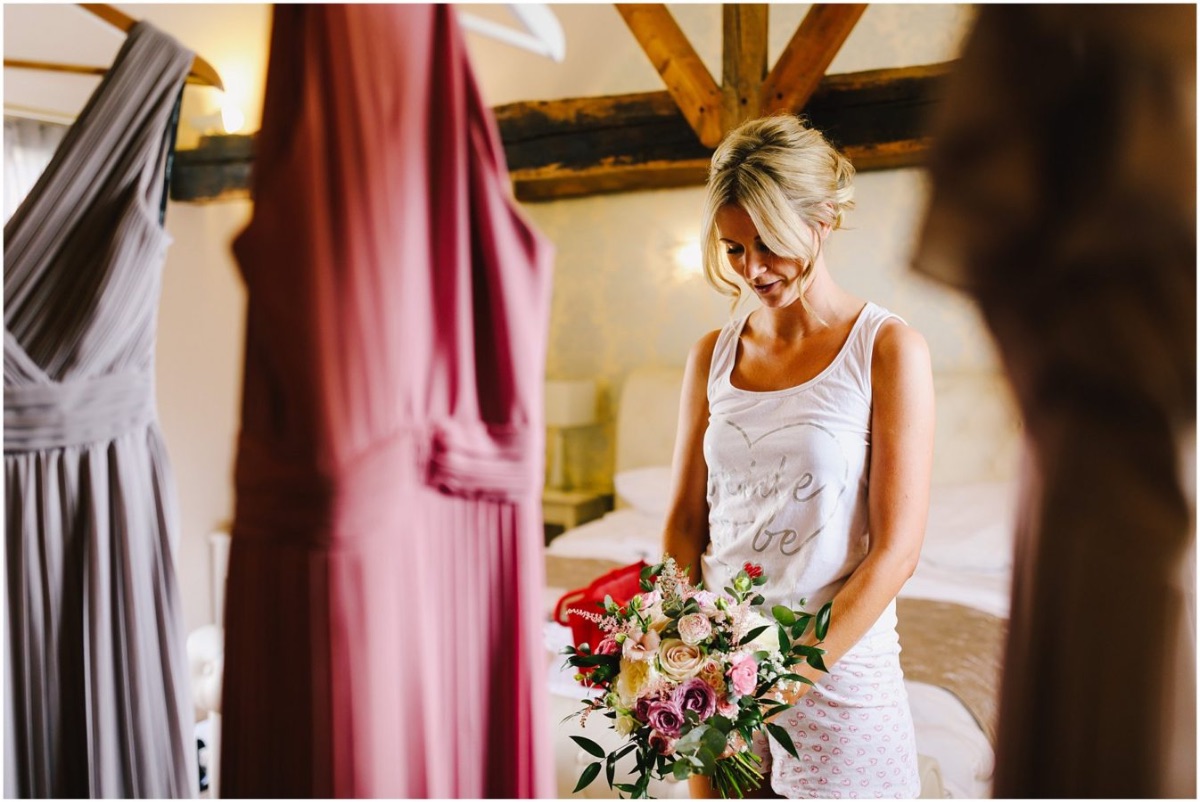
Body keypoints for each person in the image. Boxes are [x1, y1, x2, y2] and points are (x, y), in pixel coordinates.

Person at [662, 114, 935, 799]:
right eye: (732, 249)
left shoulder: (888, 350)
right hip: (718, 685)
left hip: (839, 682)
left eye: (769, 244)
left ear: (823, 220)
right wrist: (679, 650)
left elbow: (896, 550)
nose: (753, 270)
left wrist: (787, 676)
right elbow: (685, 525)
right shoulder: (712, 355)